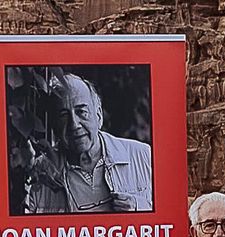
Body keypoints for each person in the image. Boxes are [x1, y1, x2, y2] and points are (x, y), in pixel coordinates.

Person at [25, 73, 153, 213]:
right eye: (64, 115)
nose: (74, 125)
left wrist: (138, 207)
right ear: (55, 126)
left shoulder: (143, 156)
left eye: (82, 112)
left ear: (98, 115)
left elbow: (169, 211)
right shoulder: (41, 171)